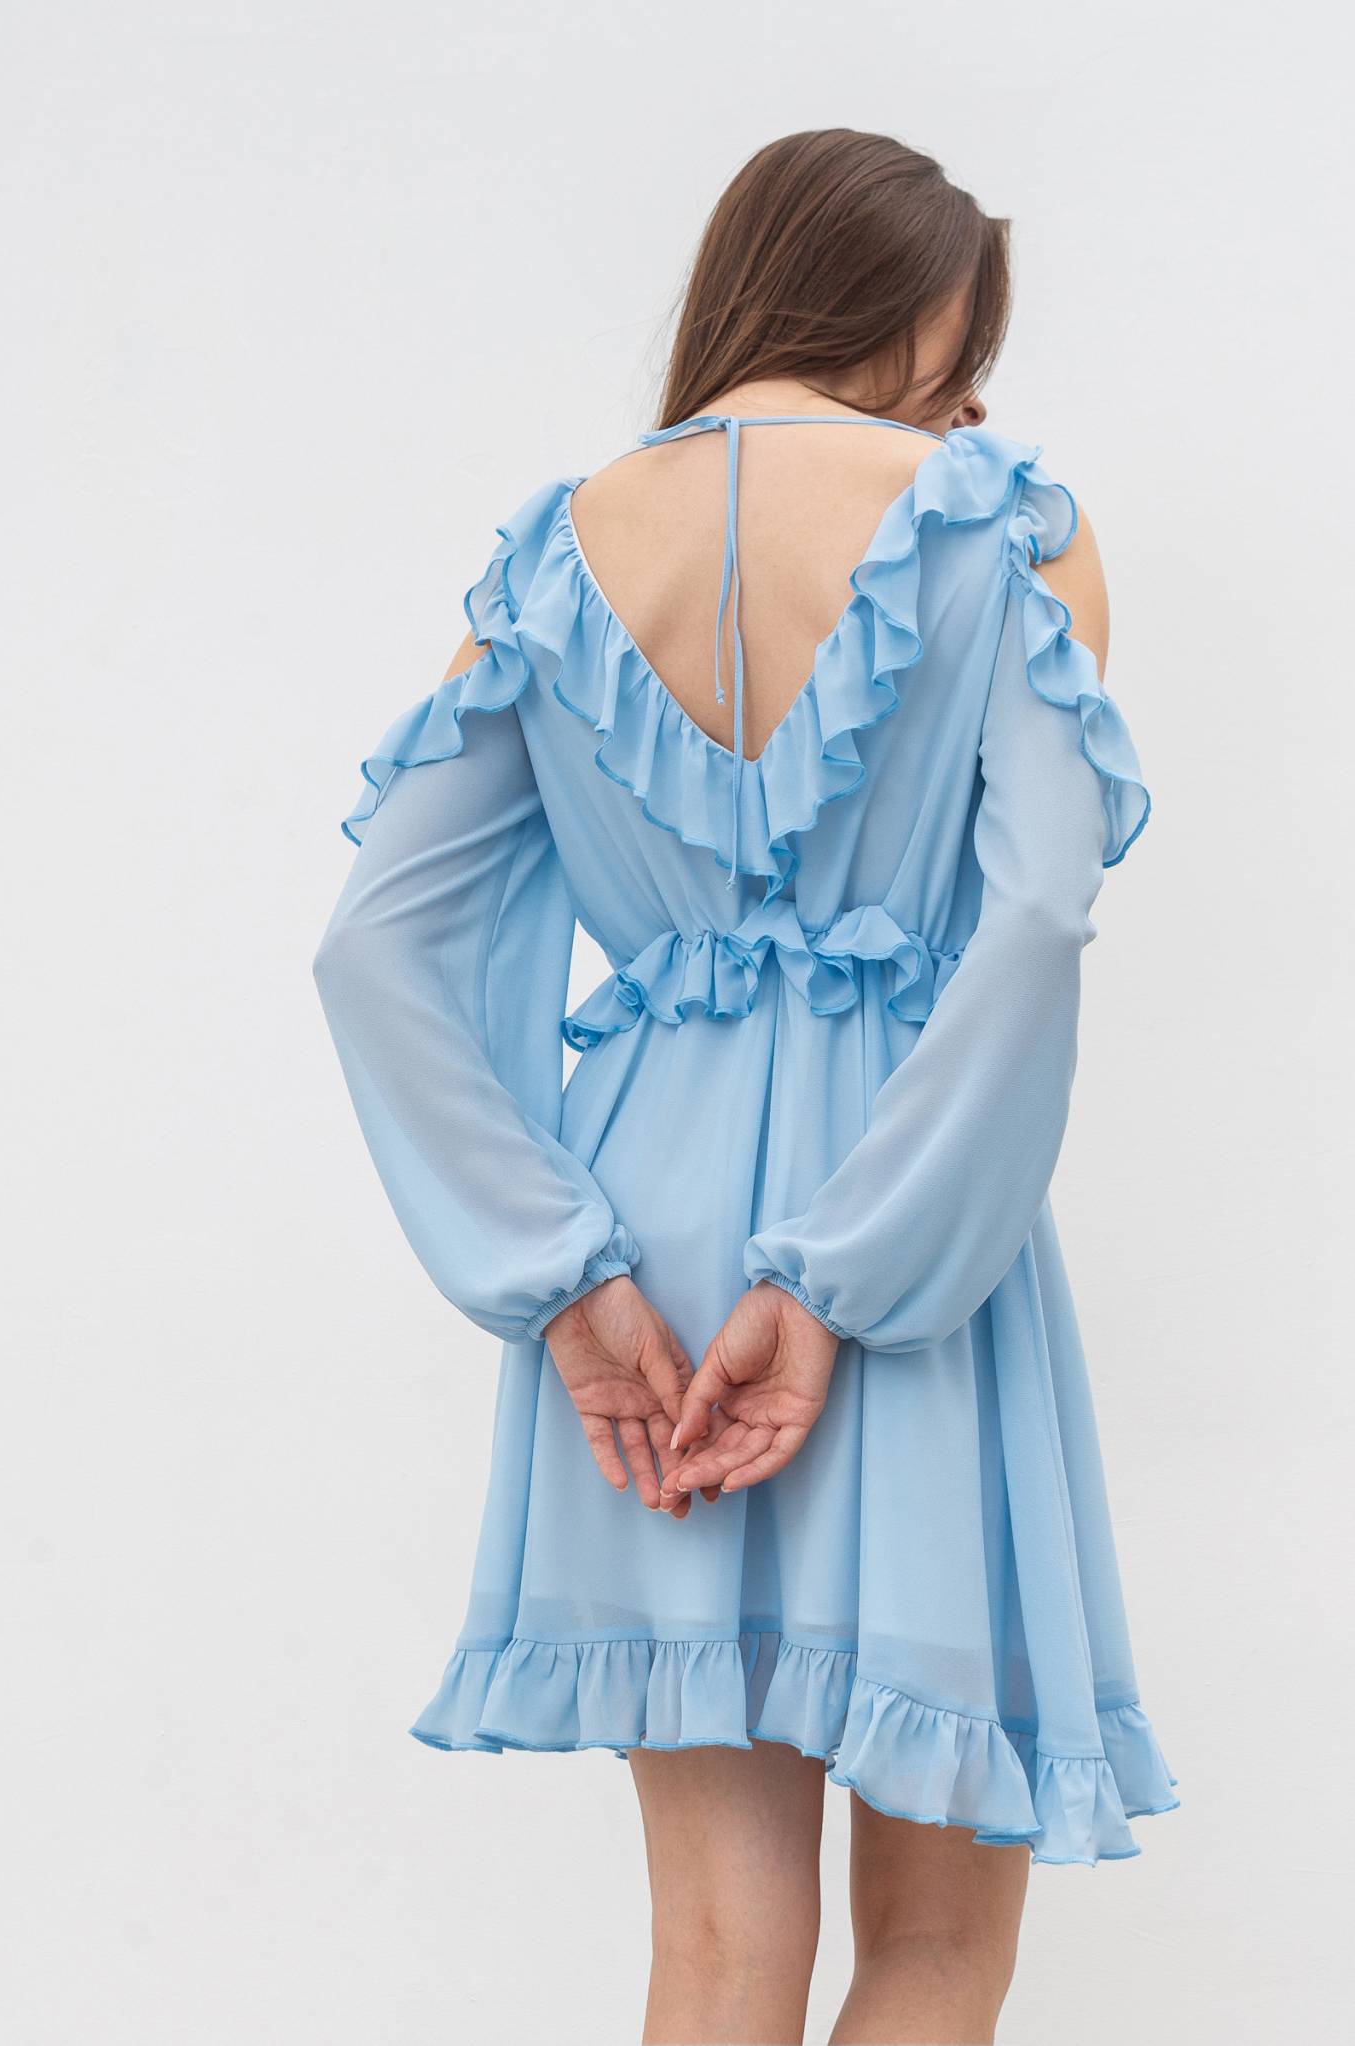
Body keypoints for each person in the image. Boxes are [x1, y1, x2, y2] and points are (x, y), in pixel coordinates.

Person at [314, 127, 1177, 2046]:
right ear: (911, 307)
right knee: (938, 1947)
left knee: (715, 1946)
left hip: (645, 1248)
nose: (969, 394)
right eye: (962, 345)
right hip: (906, 1232)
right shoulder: (1004, 526)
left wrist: (558, 1270)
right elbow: (1039, 912)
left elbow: (374, 944)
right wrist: (857, 1270)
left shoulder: (558, 552)